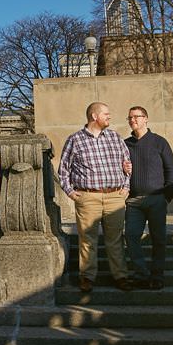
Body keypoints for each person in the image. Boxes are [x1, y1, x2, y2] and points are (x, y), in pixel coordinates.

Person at [58, 101, 132, 293]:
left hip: (115, 196)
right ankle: (87, 278)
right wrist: (70, 192)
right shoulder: (75, 140)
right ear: (94, 116)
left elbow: (127, 164)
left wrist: (126, 186)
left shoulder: (116, 138)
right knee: (87, 240)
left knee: (115, 238)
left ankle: (121, 276)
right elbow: (63, 170)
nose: (109, 117)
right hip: (87, 197)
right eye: (106, 114)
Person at [123, 106, 173, 290]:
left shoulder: (159, 142)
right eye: (130, 117)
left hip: (156, 199)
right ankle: (141, 274)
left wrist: (166, 196)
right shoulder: (125, 144)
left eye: (136, 116)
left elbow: (170, 170)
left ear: (146, 118)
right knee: (130, 236)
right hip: (134, 201)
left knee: (158, 238)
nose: (132, 120)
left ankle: (157, 275)